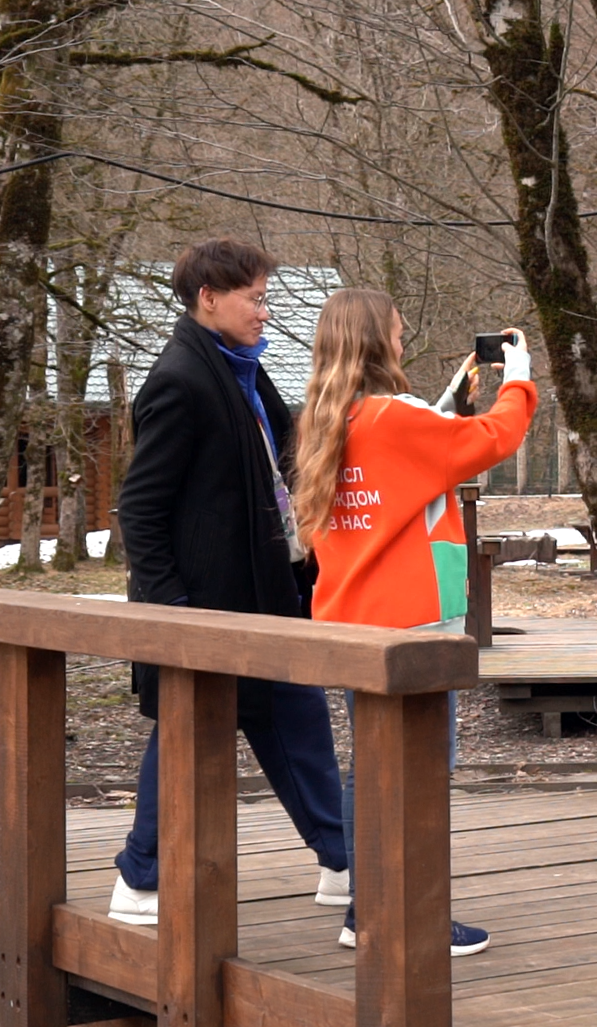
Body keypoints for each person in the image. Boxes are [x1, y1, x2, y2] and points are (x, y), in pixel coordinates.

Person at [110, 239, 350, 923]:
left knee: (299, 723)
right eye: (255, 297)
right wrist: (173, 613)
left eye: (266, 296)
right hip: (207, 613)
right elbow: (140, 508)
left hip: (266, 601)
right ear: (208, 298)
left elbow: (288, 453)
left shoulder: (242, 370)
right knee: (185, 737)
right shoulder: (181, 380)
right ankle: (139, 879)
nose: (265, 311)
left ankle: (342, 862)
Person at [291, 289, 536, 956]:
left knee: (367, 768)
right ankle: (411, 916)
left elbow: (406, 458)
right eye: (396, 335)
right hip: (411, 627)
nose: (402, 344)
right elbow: (493, 438)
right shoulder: (394, 419)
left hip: (350, 618)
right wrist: (518, 377)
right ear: (377, 341)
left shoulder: (328, 416)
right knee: (422, 769)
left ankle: (364, 909)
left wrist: (452, 395)